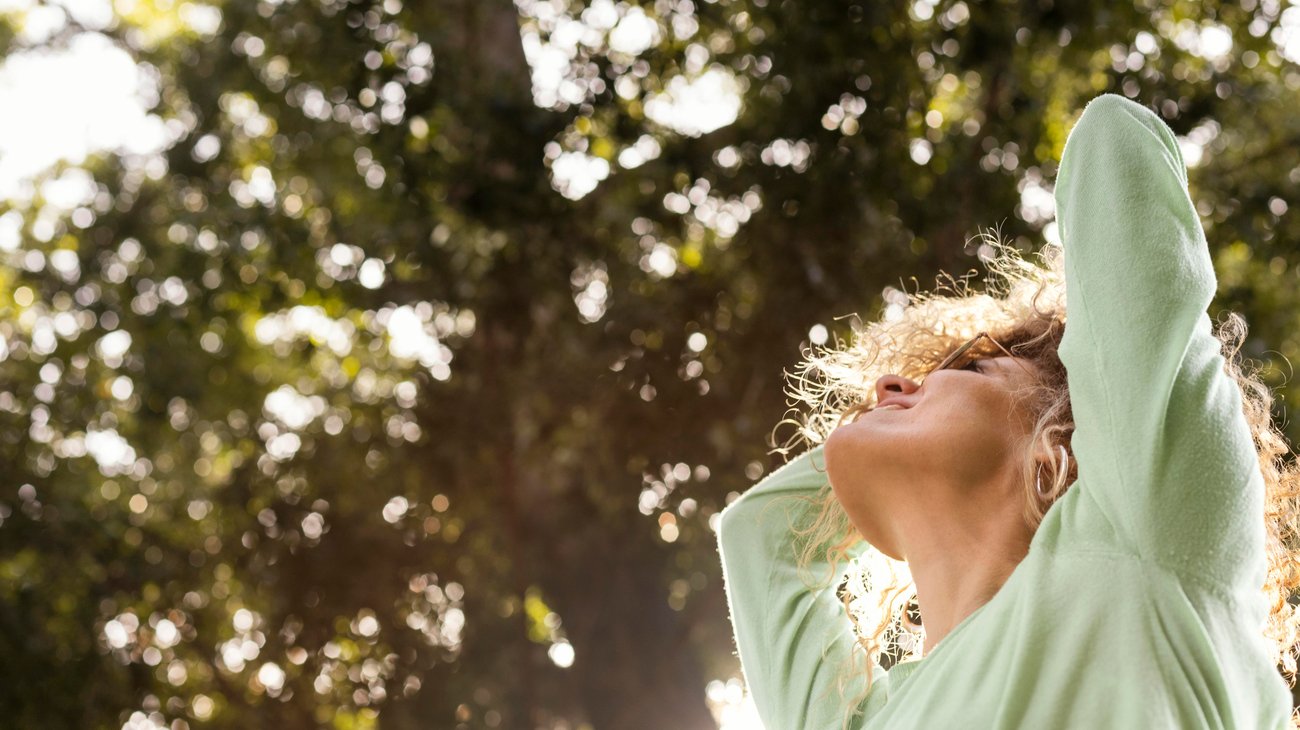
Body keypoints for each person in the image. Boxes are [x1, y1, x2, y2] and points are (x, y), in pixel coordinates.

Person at [716, 93, 1300, 729]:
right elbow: (761, 533)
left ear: (1066, 434)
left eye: (966, 367)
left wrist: (886, 448)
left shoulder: (1143, 534)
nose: (890, 384)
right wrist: (882, 445)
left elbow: (1114, 145)